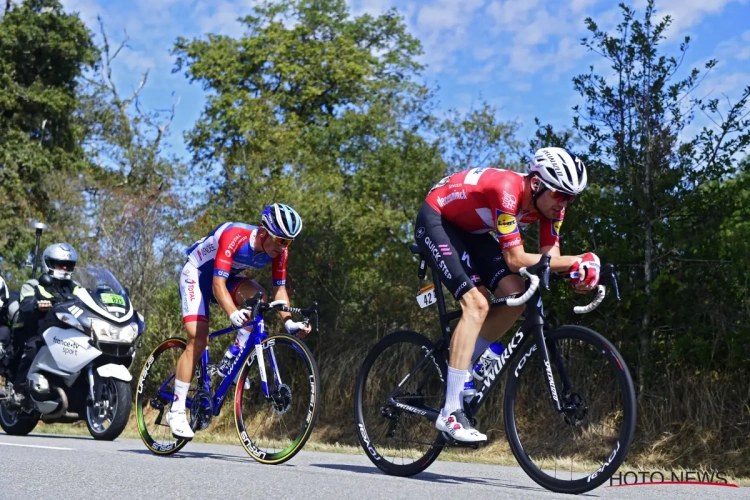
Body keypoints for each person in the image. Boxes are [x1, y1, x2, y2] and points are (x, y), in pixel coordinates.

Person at [414, 147, 601, 443]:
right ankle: (450, 412)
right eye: (559, 195)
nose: (564, 203)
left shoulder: (553, 208)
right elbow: (515, 259)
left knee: (517, 295)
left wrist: (579, 274)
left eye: (571, 198)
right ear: (537, 184)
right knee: (476, 305)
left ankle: (464, 365)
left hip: (472, 232)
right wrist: (581, 258)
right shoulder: (506, 190)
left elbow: (548, 260)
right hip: (437, 219)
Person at [166, 203, 311, 440]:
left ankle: (231, 358)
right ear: (264, 232)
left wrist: (289, 323)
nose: (284, 247)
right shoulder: (234, 235)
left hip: (228, 279)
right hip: (197, 275)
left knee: (260, 299)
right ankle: (177, 409)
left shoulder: (279, 251)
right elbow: (217, 284)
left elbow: (279, 290)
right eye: (281, 240)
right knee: (198, 338)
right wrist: (233, 312)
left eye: (289, 242)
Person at [14, 243, 80, 396]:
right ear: (48, 263)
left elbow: (88, 299)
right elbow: (26, 306)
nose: (64, 268)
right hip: (40, 333)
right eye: (60, 264)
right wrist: (37, 306)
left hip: (68, 335)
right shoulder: (33, 285)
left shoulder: (75, 287)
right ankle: (19, 391)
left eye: (68, 265)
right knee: (33, 348)